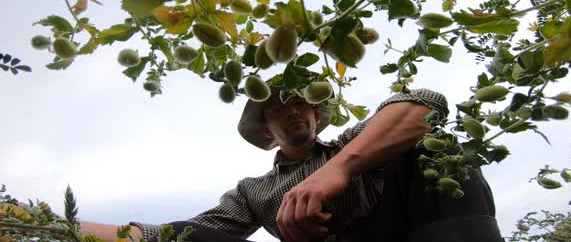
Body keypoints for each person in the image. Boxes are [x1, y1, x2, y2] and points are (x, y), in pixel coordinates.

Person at [80, 86, 503, 242]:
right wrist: (54, 225)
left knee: (435, 145)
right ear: (266, 130)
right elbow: (186, 234)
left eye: (302, 103)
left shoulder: (353, 144)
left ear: (319, 116)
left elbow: (425, 104)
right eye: (279, 108)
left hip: (412, 230)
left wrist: (338, 169)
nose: (294, 110)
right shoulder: (251, 191)